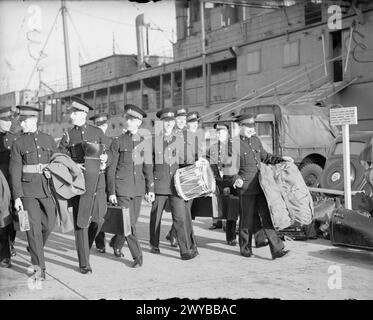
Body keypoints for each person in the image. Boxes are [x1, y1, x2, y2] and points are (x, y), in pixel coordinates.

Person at [58, 97, 108, 274]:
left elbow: (107, 151)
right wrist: (74, 166)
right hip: (79, 185)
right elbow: (59, 158)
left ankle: (86, 243)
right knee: (81, 222)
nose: (72, 115)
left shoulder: (97, 132)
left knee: (99, 218)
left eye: (75, 113)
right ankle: (84, 263)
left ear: (84, 114)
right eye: (71, 113)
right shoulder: (69, 136)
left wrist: (105, 158)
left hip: (98, 184)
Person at [232, 111, 291, 259]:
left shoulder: (256, 141)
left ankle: (277, 249)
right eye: (248, 126)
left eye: (253, 125)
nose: (252, 128)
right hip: (245, 188)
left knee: (267, 217)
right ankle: (245, 248)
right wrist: (235, 179)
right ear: (240, 127)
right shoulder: (234, 144)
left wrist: (281, 159)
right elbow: (230, 167)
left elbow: (266, 157)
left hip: (261, 186)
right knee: (246, 220)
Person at [9, 105, 58, 280]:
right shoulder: (18, 143)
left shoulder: (48, 139)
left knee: (49, 224)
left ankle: (34, 248)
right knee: (34, 230)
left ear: (34, 120)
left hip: (46, 189)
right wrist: (17, 197)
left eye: (24, 121)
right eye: (20, 121)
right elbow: (15, 171)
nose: (21, 124)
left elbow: (57, 161)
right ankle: (39, 270)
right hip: (27, 191)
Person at [106, 104, 155, 268]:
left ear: (138, 123)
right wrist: (111, 191)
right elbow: (111, 168)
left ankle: (116, 243)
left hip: (138, 188)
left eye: (131, 119)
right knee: (130, 224)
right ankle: (137, 256)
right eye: (127, 118)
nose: (127, 121)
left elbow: (148, 167)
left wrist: (150, 189)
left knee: (130, 221)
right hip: (122, 189)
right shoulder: (118, 141)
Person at [149, 108, 198, 260]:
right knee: (156, 216)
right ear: (161, 123)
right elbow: (148, 166)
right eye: (165, 122)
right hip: (159, 185)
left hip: (176, 187)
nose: (168, 124)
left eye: (170, 121)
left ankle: (185, 251)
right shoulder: (153, 141)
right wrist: (149, 187)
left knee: (180, 218)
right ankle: (154, 244)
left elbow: (185, 162)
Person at [87, 112, 112, 254]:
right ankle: (97, 242)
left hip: (108, 181)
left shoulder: (110, 141)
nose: (101, 128)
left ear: (106, 125)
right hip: (96, 181)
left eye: (103, 125)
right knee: (97, 215)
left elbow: (113, 159)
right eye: (98, 126)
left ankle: (97, 242)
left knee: (101, 214)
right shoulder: (91, 143)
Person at [165, 107, 188, 248]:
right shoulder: (170, 134)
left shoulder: (187, 135)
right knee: (178, 210)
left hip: (185, 176)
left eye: (183, 120)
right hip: (172, 177)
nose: (181, 121)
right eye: (179, 119)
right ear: (174, 121)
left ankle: (173, 233)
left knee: (183, 211)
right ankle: (174, 235)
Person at [0, 107, 20, 268]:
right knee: (2, 217)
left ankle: (11, 242)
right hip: (0, 184)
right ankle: (4, 254)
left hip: (14, 182)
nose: (7, 123)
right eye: (4, 120)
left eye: (9, 120)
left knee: (15, 214)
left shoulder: (15, 138)